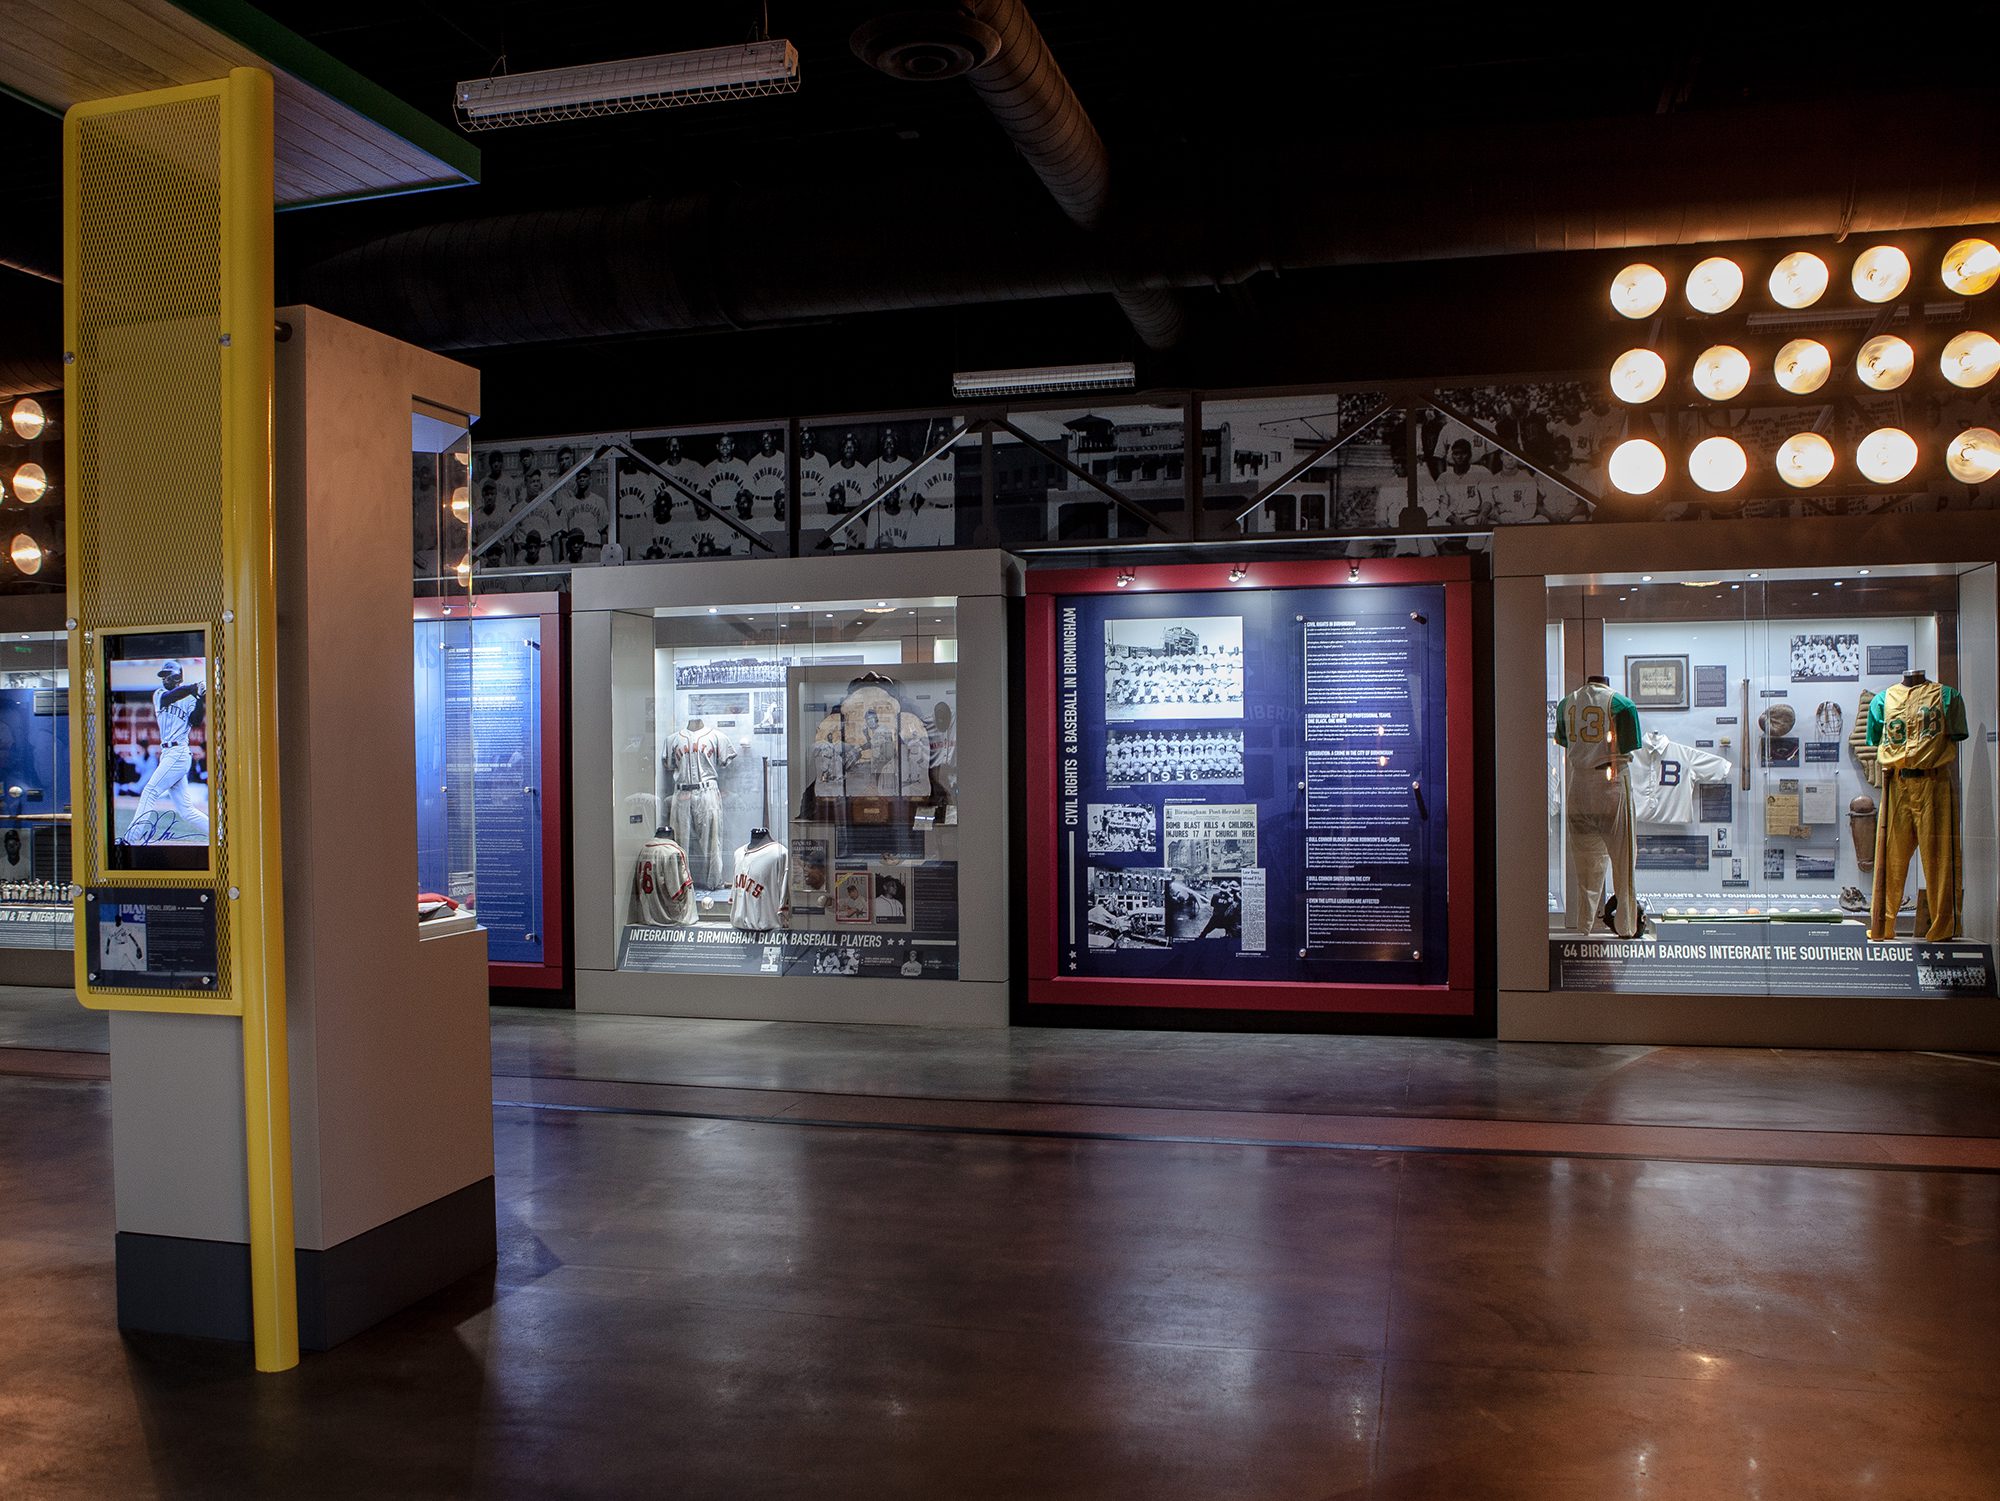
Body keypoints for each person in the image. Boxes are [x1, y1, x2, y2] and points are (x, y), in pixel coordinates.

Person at [124, 660, 209, 847]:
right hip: (168, 753)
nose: (164, 679)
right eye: (163, 676)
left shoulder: (189, 698)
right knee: (186, 810)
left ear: (177, 676)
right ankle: (219, 834)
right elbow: (173, 696)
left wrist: (200, 697)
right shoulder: (160, 694)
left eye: (167, 675)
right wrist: (195, 687)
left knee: (149, 791)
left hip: (178, 752)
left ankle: (129, 840)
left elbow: (195, 720)